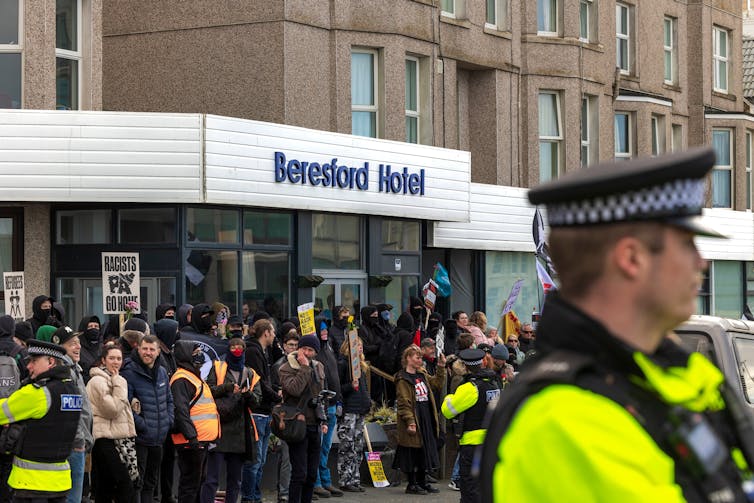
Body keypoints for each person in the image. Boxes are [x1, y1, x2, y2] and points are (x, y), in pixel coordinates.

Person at [482, 147, 754, 501]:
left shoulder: (676, 373)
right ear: (631, 258)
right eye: (687, 244)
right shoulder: (566, 418)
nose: (701, 262)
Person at [0, 340, 81, 502]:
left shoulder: (38, 393)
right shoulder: (72, 390)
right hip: (60, 483)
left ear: (51, 362)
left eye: (34, 361)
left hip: (31, 484)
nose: (29, 366)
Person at [200, 337, 261, 503]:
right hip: (218, 429)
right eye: (233, 346)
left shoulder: (251, 374)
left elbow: (257, 403)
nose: (236, 349)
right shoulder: (218, 367)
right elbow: (208, 391)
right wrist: (226, 388)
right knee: (211, 479)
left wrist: (248, 394)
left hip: (240, 434)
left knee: (235, 481)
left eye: (240, 347)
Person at [441, 349, 501, 503]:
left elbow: (448, 411)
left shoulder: (470, 387)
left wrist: (450, 397)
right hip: (491, 443)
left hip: (472, 446)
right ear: (483, 363)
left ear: (465, 366)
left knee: (470, 488)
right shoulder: (494, 383)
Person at [121, 335, 174, 503]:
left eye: (152, 349)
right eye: (145, 349)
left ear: (158, 352)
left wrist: (168, 421)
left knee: (151, 483)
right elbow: (125, 405)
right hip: (140, 438)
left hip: (159, 438)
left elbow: (169, 400)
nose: (148, 352)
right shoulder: (129, 372)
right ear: (138, 349)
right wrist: (142, 425)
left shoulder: (162, 373)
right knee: (137, 482)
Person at [279, 334, 329, 503]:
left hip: (315, 423)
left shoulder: (319, 366)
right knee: (299, 473)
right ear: (299, 349)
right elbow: (295, 390)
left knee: (311, 474)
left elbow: (321, 395)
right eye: (304, 349)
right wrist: (304, 368)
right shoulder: (287, 367)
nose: (307, 353)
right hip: (297, 424)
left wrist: (324, 420)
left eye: (311, 350)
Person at [170, 340, 220, 503]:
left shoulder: (192, 376)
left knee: (198, 483)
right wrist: (192, 437)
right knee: (190, 485)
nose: (199, 356)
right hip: (191, 441)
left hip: (199, 440)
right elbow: (180, 410)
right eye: (195, 352)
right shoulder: (182, 379)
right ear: (186, 355)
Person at [87, 344, 137, 503]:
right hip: (104, 439)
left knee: (106, 486)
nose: (116, 362)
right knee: (124, 483)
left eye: (119, 358)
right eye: (111, 358)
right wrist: (120, 384)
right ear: (103, 360)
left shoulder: (113, 380)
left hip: (116, 438)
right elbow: (113, 409)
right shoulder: (99, 381)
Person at [393, 345, 445, 495]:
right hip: (415, 417)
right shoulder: (403, 379)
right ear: (408, 358)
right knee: (412, 451)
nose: (420, 360)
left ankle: (423, 481)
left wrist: (441, 367)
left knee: (425, 449)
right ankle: (412, 483)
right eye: (417, 357)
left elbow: (437, 384)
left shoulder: (421, 374)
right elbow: (404, 402)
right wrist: (410, 421)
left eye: (421, 357)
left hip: (425, 416)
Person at [241, 318, 282, 503]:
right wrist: (277, 396)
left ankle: (255, 496)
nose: (274, 336)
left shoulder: (262, 352)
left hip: (264, 412)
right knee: (254, 461)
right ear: (266, 332)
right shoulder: (253, 351)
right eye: (272, 332)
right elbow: (259, 382)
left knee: (261, 460)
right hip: (256, 411)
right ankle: (249, 497)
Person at [56, 326, 94, 503]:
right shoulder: (65, 371)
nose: (78, 347)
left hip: (80, 441)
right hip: (74, 443)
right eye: (72, 344)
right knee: (72, 498)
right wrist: (80, 441)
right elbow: (71, 412)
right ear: (59, 347)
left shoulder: (74, 368)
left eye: (78, 343)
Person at [313, 321, 343, 499]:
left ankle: (325, 481)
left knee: (325, 447)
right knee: (318, 447)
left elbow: (335, 376)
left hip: (332, 405)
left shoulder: (329, 349)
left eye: (325, 329)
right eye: (321, 329)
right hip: (323, 406)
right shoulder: (316, 353)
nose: (324, 332)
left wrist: (339, 401)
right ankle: (316, 482)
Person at [336, 336, 370, 493]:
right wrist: (350, 386)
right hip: (349, 410)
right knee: (347, 446)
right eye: (357, 345)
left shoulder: (361, 366)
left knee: (357, 445)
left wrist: (367, 403)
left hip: (360, 410)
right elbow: (339, 388)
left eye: (361, 345)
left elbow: (363, 389)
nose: (360, 348)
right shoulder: (343, 364)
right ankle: (345, 478)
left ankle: (355, 478)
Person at [77, 315, 102, 382]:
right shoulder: (77, 348)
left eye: (96, 326)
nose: (93, 329)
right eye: (90, 326)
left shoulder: (102, 347)